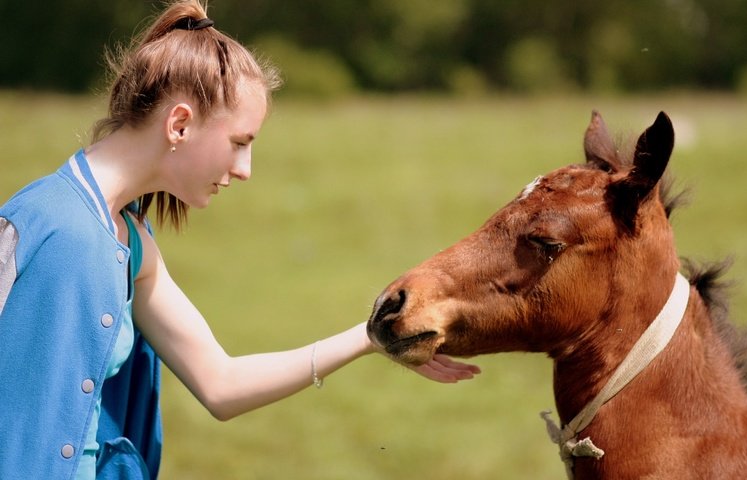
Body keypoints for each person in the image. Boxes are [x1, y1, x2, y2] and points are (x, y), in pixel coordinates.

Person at [0, 1, 480, 478]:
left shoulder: (129, 239)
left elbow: (221, 383)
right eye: (239, 143)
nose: (245, 169)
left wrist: (370, 336)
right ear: (180, 125)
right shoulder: (58, 231)